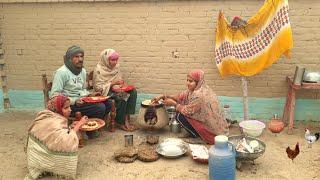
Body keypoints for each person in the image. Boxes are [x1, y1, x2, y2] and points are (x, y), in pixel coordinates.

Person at [152, 69, 229, 144]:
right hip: (209, 121)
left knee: (180, 116)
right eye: (187, 80)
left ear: (198, 82)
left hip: (211, 128)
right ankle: (195, 132)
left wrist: (173, 104)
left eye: (191, 81)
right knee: (180, 110)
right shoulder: (198, 88)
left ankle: (198, 136)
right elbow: (180, 96)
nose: (188, 83)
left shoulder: (199, 95)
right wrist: (164, 96)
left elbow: (187, 111)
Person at [25, 95, 88, 180]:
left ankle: (45, 165)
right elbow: (66, 142)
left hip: (37, 159)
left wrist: (70, 127)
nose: (70, 109)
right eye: (66, 108)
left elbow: (55, 134)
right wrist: (79, 124)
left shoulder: (50, 115)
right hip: (40, 155)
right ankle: (55, 167)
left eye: (69, 107)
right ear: (57, 108)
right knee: (72, 140)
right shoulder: (53, 120)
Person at [50, 45, 112, 121]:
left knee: (108, 103)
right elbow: (54, 95)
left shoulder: (82, 71)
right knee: (100, 107)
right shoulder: (61, 73)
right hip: (69, 105)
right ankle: (90, 130)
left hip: (82, 101)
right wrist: (74, 101)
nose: (80, 59)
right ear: (69, 58)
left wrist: (90, 94)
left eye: (81, 56)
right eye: (76, 57)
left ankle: (91, 124)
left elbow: (82, 90)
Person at [93, 49, 137, 131]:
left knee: (133, 91)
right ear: (106, 60)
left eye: (116, 60)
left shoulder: (116, 67)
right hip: (105, 92)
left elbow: (119, 79)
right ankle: (119, 121)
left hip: (115, 90)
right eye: (112, 60)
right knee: (124, 96)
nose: (115, 62)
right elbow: (98, 88)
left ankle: (127, 117)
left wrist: (121, 84)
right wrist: (112, 84)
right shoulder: (98, 70)